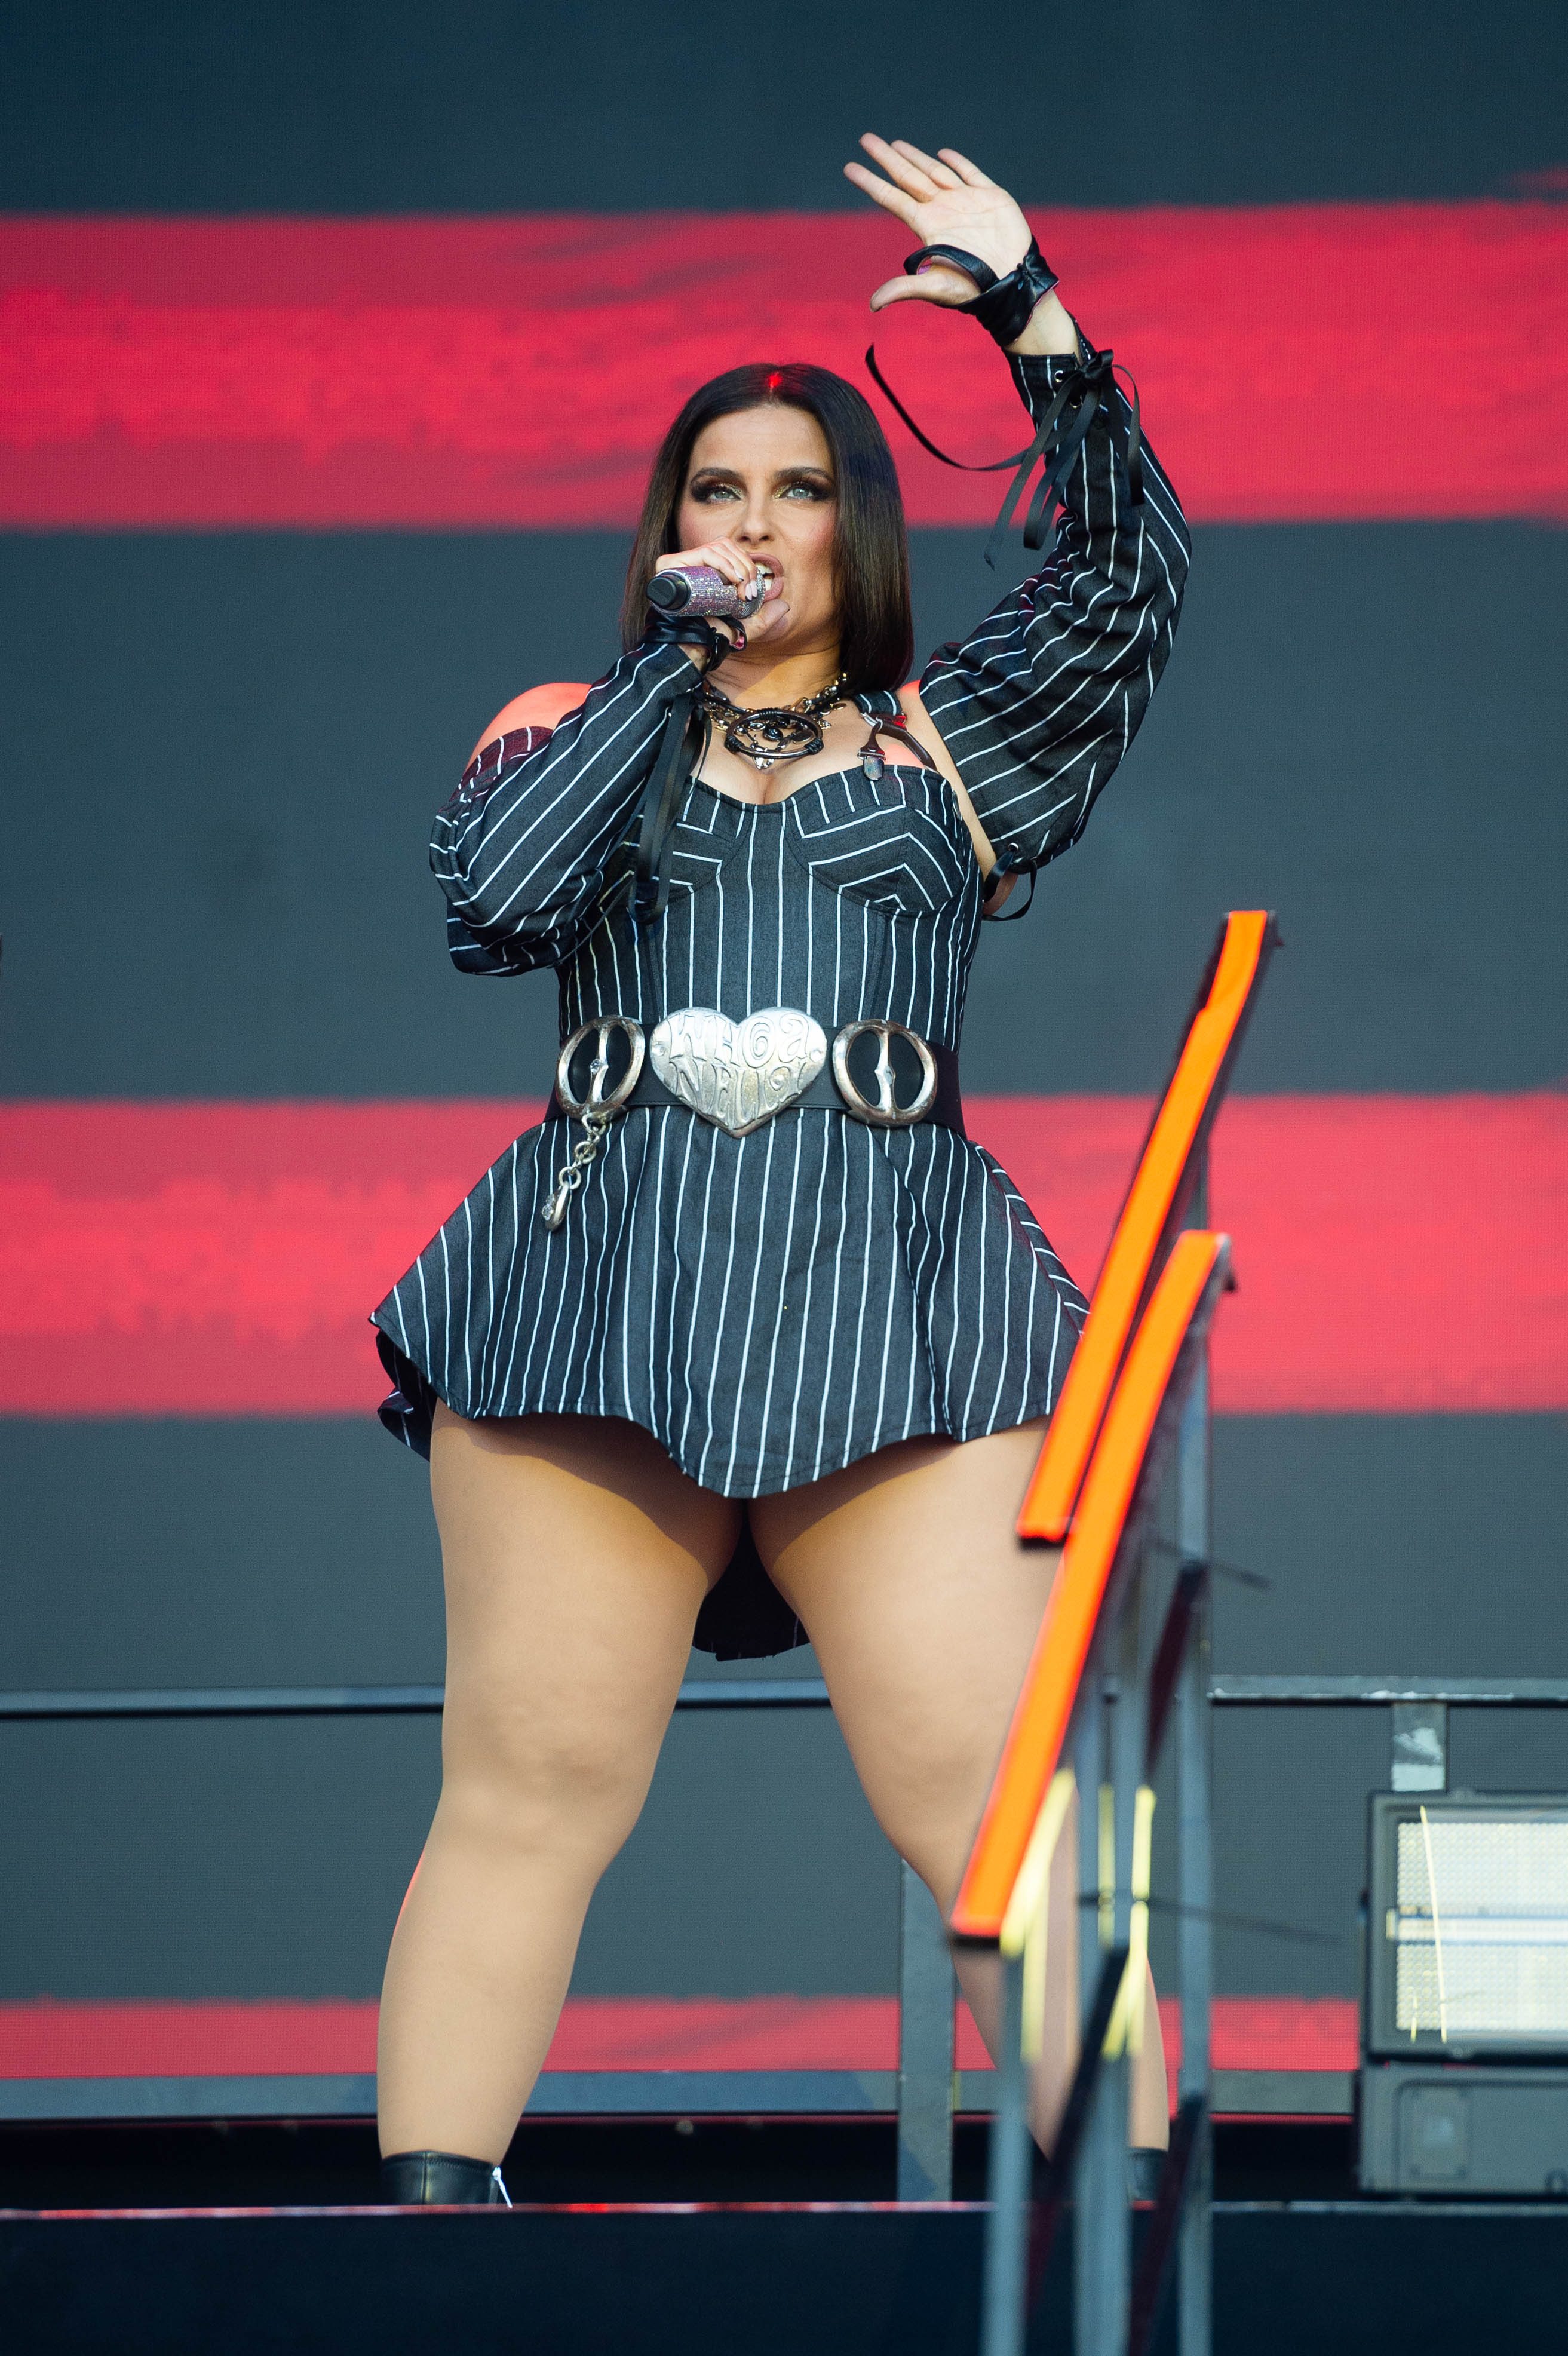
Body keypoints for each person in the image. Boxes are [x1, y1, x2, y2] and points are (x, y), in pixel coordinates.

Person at [371, 136, 1190, 2204]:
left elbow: (1126, 586)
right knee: (531, 1789)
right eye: (715, 490)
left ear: (859, 524)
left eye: (798, 490)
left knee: (991, 1803)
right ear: (666, 525)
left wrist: (1033, 317)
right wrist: (669, 659)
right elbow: (496, 904)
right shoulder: (571, 714)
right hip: (591, 1296)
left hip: (903, 1304)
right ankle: (416, 2268)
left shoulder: (951, 742)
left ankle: (1144, 2257)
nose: (755, 522)